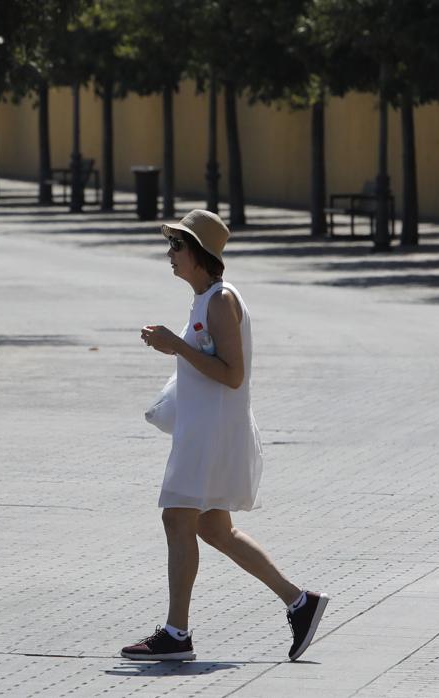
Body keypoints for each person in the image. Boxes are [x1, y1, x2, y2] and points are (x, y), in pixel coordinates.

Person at [124, 209, 328, 662]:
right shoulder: (205, 299)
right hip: (205, 431)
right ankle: (300, 602)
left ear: (200, 254)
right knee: (215, 528)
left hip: (211, 435)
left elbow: (232, 375)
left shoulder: (220, 301)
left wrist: (174, 346)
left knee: (178, 519)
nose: (170, 254)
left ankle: (177, 635)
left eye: (178, 246)